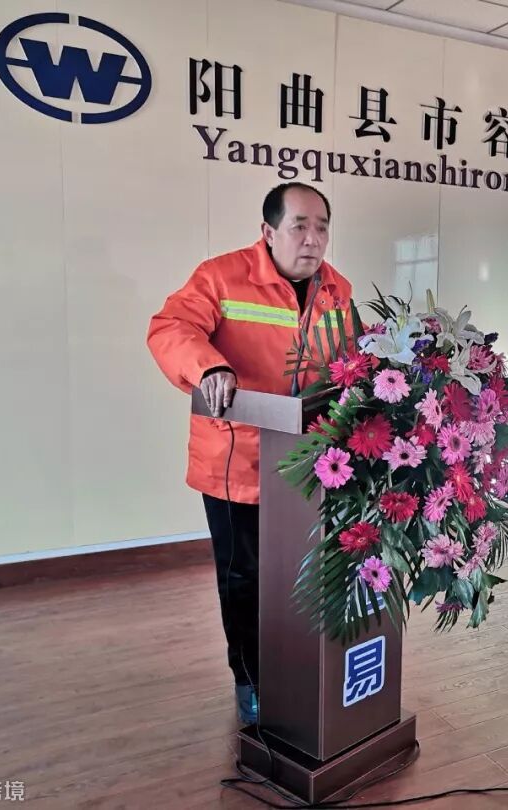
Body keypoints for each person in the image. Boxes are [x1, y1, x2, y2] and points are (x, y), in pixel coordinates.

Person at [147, 182, 352, 726]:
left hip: (309, 463)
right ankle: (250, 679)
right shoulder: (221, 277)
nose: (313, 239)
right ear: (268, 231)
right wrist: (209, 367)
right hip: (235, 460)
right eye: (300, 226)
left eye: (322, 227)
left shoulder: (336, 291)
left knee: (299, 574)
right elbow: (170, 328)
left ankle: (297, 668)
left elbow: (346, 363)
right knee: (244, 579)